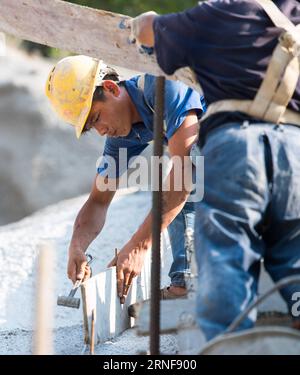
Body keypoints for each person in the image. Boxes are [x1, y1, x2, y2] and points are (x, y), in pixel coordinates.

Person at [129, 0, 300, 340]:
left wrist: (142, 21)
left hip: (237, 147)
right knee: (295, 260)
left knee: (226, 256)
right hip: (295, 151)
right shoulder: (294, 18)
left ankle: (229, 341)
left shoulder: (217, 14)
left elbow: (148, 31)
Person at [45, 55, 205, 301]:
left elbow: (184, 174)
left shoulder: (162, 84)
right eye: (91, 127)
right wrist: (77, 247)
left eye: (97, 118)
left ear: (111, 88)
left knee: (185, 170)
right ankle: (186, 284)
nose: (101, 131)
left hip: (255, 138)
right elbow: (98, 201)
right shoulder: (122, 135)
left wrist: (139, 247)